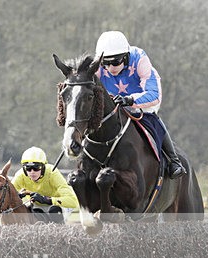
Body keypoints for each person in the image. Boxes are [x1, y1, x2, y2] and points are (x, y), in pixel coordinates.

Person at [95, 30, 187, 179]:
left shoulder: (139, 58)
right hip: (113, 101)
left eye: (116, 62)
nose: (111, 67)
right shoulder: (97, 66)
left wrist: (130, 100)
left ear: (126, 57)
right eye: (106, 63)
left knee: (149, 114)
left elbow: (154, 95)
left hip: (141, 96)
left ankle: (173, 160)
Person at [12, 146, 78, 224]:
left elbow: (73, 202)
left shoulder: (52, 173)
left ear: (43, 167)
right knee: (35, 217)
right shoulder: (20, 175)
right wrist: (17, 196)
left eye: (36, 167)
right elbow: (7, 194)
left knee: (54, 212)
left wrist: (47, 200)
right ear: (24, 169)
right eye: (28, 168)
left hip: (59, 205)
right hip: (37, 205)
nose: (32, 172)